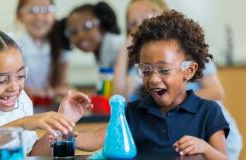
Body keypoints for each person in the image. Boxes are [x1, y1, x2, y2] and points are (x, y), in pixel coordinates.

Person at [76, 10, 230, 159]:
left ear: (188, 71)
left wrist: (204, 147)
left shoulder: (209, 112)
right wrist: (64, 135)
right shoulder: (132, 113)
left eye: (163, 69)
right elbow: (98, 138)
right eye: (146, 70)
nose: (153, 79)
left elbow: (223, 157)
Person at [0, 29, 92, 156]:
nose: (14, 87)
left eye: (20, 76)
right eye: (1, 80)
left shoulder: (21, 101)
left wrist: (62, 122)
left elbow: (32, 154)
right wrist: (22, 124)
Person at [12, 0, 71, 99]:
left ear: (54, 15)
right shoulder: (11, 44)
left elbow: (61, 84)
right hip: (20, 106)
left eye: (45, 10)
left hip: (52, 108)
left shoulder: (61, 45)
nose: (39, 16)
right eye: (32, 10)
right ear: (20, 15)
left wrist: (62, 91)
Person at [114, 0, 169, 100]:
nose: (140, 27)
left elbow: (208, 89)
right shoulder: (143, 66)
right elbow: (120, 97)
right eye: (133, 24)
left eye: (145, 18)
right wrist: (126, 47)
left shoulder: (185, 52)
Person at [65, 1, 124, 67]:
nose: (80, 36)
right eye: (73, 32)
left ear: (102, 23)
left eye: (87, 26)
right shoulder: (102, 52)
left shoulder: (118, 49)